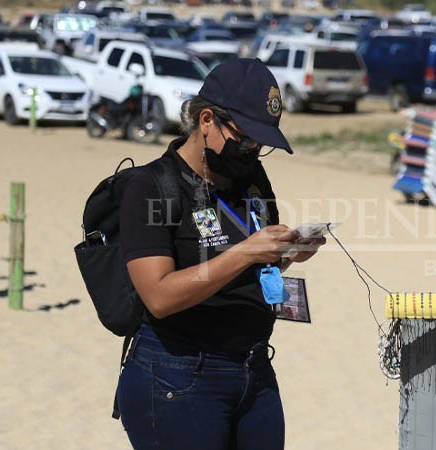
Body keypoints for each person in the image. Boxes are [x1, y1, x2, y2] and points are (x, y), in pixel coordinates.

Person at [116, 58, 325, 450]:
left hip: (253, 367)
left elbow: (247, 270)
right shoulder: (152, 186)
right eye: (245, 138)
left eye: (260, 144)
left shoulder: (251, 179)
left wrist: (286, 254)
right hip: (178, 374)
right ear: (207, 120)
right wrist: (246, 251)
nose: (252, 151)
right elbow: (158, 296)